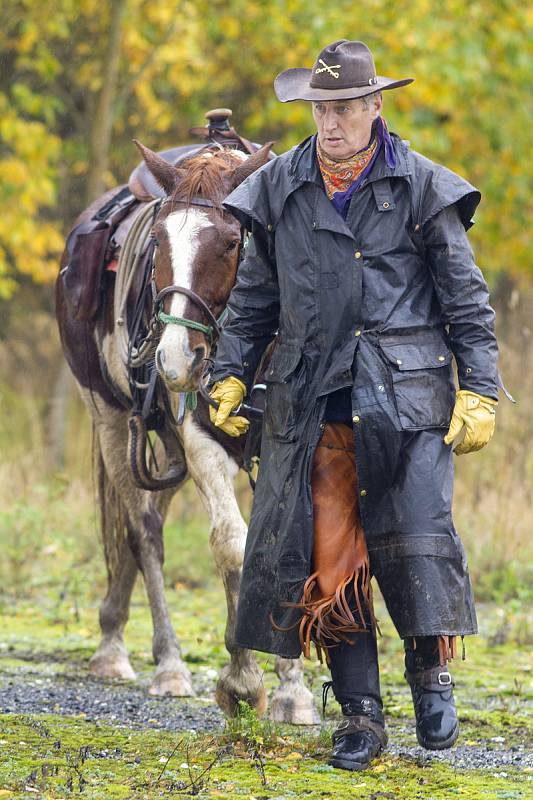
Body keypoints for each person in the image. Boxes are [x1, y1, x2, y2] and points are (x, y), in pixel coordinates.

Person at [208, 40, 503, 771]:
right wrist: (231, 372)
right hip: (313, 402)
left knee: (416, 541)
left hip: (408, 400)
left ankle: (430, 676)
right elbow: (252, 300)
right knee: (330, 565)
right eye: (319, 108)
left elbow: (466, 301)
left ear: (375, 107)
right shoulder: (277, 187)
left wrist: (480, 389)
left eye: (344, 107)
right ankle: (359, 717)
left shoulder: (423, 187)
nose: (331, 122)